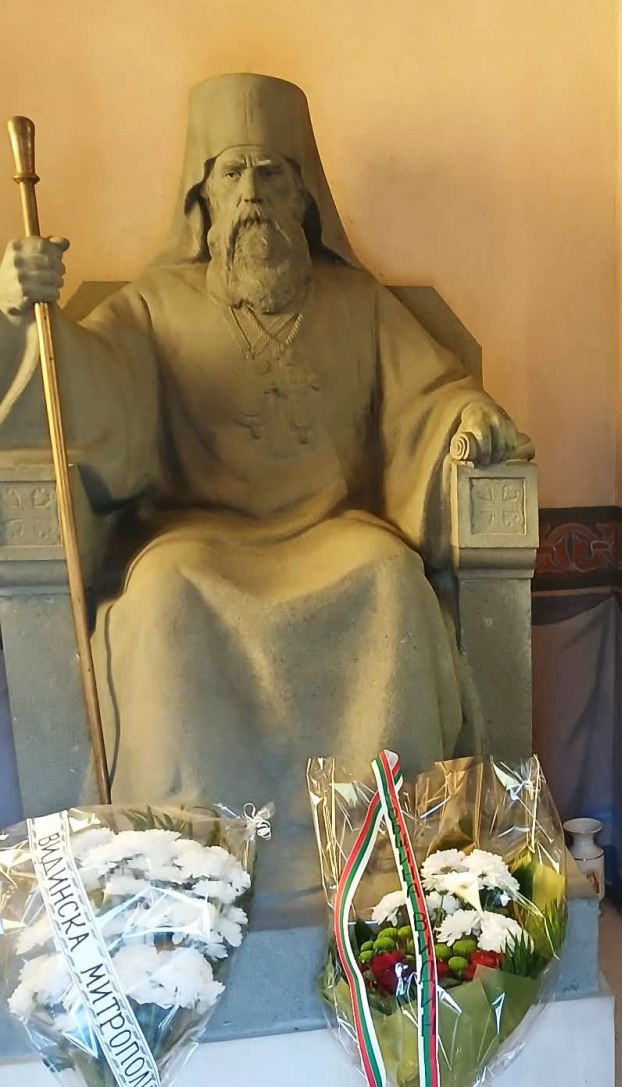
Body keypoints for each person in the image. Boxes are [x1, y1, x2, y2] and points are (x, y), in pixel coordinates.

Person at [0, 74, 527, 851]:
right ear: (203, 200)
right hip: (196, 539)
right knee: (161, 594)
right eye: (232, 173)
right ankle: (180, 855)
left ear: (302, 198)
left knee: (392, 580)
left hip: (335, 531)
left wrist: (466, 415)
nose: (251, 193)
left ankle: (387, 847)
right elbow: (90, 387)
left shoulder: (358, 303)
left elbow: (429, 397)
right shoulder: (153, 306)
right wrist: (25, 311)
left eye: (270, 173)